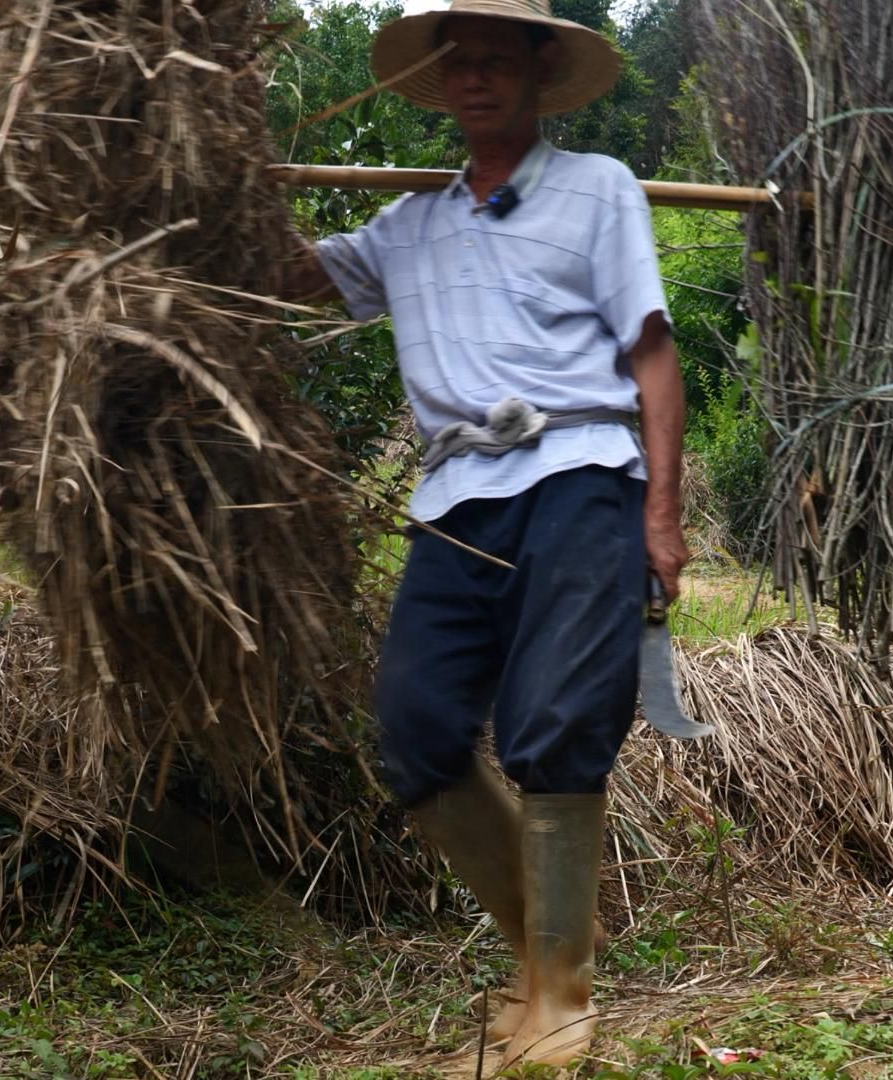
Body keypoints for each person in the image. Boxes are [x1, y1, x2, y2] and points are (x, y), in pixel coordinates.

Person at [278, 0, 689, 1068]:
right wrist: (215, 189)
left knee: (554, 726)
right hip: (457, 501)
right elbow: (287, 279)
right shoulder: (410, 226)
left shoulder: (599, 189)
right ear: (437, 83)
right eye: (459, 62)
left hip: (582, 475)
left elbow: (652, 355)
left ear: (539, 75)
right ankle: (545, 954)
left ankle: (561, 996)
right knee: (415, 731)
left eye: (498, 60)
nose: (476, 78)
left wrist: (663, 514)